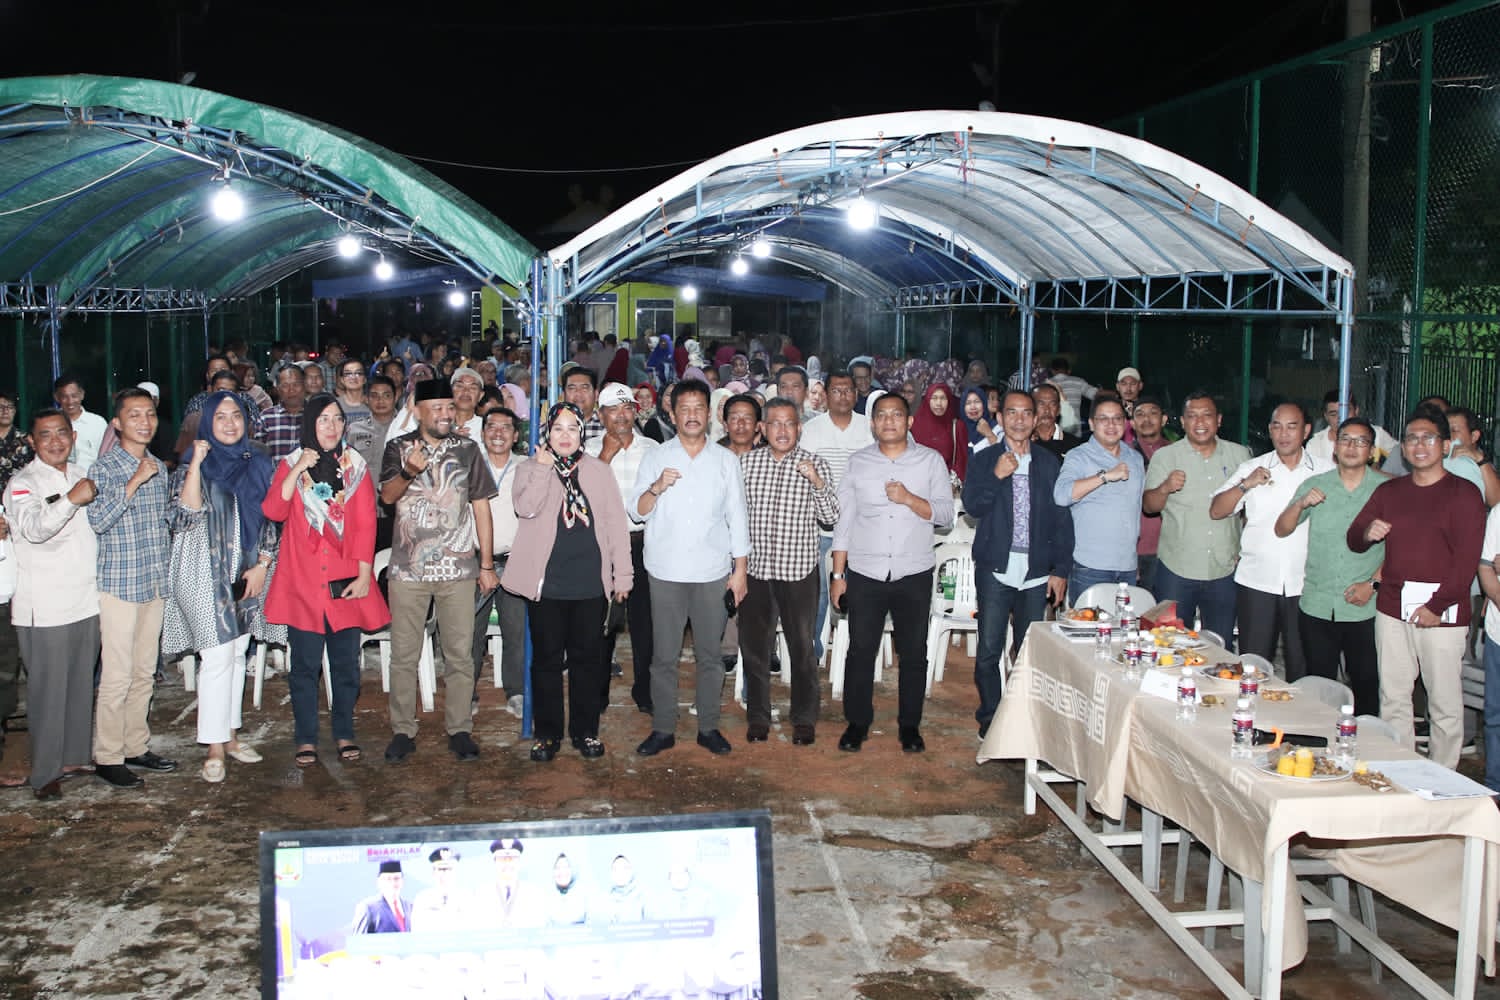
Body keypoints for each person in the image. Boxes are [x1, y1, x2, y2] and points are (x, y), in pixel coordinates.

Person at [1349, 408, 1486, 768]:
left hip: (1444, 612)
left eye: (1428, 438)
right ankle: (1402, 772)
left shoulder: (1465, 494)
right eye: (1411, 438)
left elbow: (1466, 561)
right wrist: (1368, 532)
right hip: (1393, 607)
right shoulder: (1390, 491)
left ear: (1444, 445)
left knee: (1443, 702)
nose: (1419, 445)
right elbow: (1355, 537)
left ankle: (1443, 777)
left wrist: (1437, 606)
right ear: (1403, 447)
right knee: (1393, 696)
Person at [161, 392, 283, 783]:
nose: (230, 424)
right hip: (203, 571)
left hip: (248, 571)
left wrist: (264, 564)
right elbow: (184, 515)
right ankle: (213, 746)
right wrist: (196, 461)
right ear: (207, 424)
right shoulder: (189, 466)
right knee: (215, 656)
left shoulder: (259, 462)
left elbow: (271, 519)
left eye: (236, 417)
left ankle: (230, 735)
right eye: (220, 418)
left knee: (235, 653)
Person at [261, 394, 389, 768]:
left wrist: (366, 574)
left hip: (346, 580)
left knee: (347, 665)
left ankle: (344, 731)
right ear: (309, 425)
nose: (331, 427)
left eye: (336, 420)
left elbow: (366, 522)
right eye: (323, 420)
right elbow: (273, 510)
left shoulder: (356, 466)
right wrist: (299, 467)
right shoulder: (290, 464)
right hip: (303, 582)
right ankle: (305, 738)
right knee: (303, 666)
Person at [502, 402, 632, 762]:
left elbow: (616, 526)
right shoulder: (528, 468)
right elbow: (525, 508)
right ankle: (546, 734)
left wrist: (622, 575)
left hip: (590, 582)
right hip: (547, 584)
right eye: (557, 429)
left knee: (587, 662)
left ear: (582, 433)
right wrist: (544, 470)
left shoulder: (599, 472)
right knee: (545, 662)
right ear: (547, 433)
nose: (564, 436)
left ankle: (585, 731)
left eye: (572, 429)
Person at [379, 378, 497, 764]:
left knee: (460, 653)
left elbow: (481, 507)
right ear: (417, 409)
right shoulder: (398, 448)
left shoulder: (467, 449)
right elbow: (387, 498)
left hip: (458, 568)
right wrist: (409, 471)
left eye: (450, 407)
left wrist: (485, 564)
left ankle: (460, 728)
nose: (447, 413)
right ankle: (402, 730)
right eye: (439, 408)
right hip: (408, 573)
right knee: (404, 654)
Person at [631, 378, 750, 758]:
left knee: (710, 656)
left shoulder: (725, 460)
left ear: (709, 414)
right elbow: (636, 510)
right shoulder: (656, 456)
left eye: (699, 408)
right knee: (664, 655)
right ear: (672, 413)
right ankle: (663, 728)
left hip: (711, 573)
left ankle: (709, 727)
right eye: (685, 409)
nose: (692, 415)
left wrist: (740, 571)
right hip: (664, 571)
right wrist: (655, 487)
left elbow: (738, 518)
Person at [830, 393, 955, 753]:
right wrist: (840, 575)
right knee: (861, 650)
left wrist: (909, 499)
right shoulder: (857, 463)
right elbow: (844, 523)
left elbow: (945, 515)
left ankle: (910, 727)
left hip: (913, 571)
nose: (888, 421)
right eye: (881, 416)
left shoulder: (930, 461)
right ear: (872, 424)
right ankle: (857, 723)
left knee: (914, 653)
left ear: (909, 422)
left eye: (896, 415)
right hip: (866, 572)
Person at [3, 409, 101, 799]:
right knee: (47, 691)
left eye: (62, 433)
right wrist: (72, 500)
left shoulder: (82, 472)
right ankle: (44, 773)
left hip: (84, 597)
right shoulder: (23, 483)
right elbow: (34, 529)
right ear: (32, 442)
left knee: (80, 682)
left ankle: (74, 756)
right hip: (43, 606)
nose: (55, 441)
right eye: (45, 435)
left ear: (73, 436)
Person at [962, 391, 1071, 738]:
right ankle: (991, 720)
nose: (1020, 420)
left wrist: (1060, 570)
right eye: (1012, 413)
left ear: (1037, 416)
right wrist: (996, 475)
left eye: (1027, 413)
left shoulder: (1048, 463)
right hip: (996, 568)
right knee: (989, 650)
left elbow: (1062, 520)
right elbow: (973, 508)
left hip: (1037, 572)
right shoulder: (984, 458)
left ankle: (1022, 716)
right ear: (1002, 416)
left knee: (1027, 653)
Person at [87, 388, 176, 788]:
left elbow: (164, 524)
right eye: (134, 415)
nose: (145, 422)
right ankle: (107, 756)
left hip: (153, 582)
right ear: (118, 424)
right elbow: (99, 520)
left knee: (144, 672)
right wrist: (134, 481)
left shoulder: (160, 465)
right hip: (119, 585)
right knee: (117, 675)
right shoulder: (104, 468)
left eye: (150, 414)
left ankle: (134, 745)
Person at [738, 398, 839, 746]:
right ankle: (758, 718)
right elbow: (733, 518)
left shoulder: (816, 464)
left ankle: (804, 718)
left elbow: (831, 517)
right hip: (756, 570)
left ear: (799, 428)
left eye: (790, 424)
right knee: (755, 648)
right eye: (775, 424)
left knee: (802, 647)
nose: (783, 430)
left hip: (798, 571)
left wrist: (816, 482)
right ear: (762, 429)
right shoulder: (746, 464)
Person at [1275, 416, 1386, 715]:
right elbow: (1281, 528)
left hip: (1365, 606)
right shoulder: (1315, 484)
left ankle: (1364, 749)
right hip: (1318, 603)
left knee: (1366, 682)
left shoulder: (1387, 489)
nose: (1352, 446)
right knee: (1319, 685)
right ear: (1335, 447)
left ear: (1372, 450)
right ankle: (1320, 749)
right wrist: (1300, 504)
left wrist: (1373, 585)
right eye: (1346, 439)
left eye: (1361, 441)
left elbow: (1401, 550)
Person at [1209, 403, 1329, 679]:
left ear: (1307, 430)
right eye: (1277, 426)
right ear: (1270, 430)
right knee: (1253, 666)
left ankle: (1299, 722)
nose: (1284, 434)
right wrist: (1245, 485)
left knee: (1303, 665)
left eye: (1292, 426)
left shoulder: (1325, 472)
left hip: (1306, 583)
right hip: (1257, 581)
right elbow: (1217, 510)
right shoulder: (1252, 467)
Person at [1142, 391, 1251, 643]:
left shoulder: (1240, 456)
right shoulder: (1166, 456)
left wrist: (1244, 549)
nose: (1200, 422)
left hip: (1224, 570)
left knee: (1219, 646)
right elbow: (1149, 506)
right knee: (1169, 644)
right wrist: (1165, 487)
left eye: (1207, 416)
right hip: (1176, 570)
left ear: (1219, 420)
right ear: (1182, 422)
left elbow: (1249, 510)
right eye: (1192, 416)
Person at [586, 383, 660, 715]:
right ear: (600, 415)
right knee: (601, 624)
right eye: (612, 409)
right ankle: (597, 692)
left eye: (626, 407)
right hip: (601, 546)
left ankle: (645, 690)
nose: (621, 415)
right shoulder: (587, 450)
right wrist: (605, 456)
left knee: (646, 623)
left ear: (635, 410)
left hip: (644, 544)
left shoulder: (653, 448)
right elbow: (581, 499)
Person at [800, 371, 873, 661]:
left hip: (862, 530)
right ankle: (812, 653)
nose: (842, 396)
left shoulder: (869, 428)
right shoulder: (812, 429)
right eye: (836, 391)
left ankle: (856, 654)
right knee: (817, 595)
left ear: (856, 394)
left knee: (861, 596)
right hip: (820, 529)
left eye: (847, 391)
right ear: (825, 395)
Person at [1054, 397, 1145, 605]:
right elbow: (1061, 495)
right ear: (1092, 423)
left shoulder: (1135, 458)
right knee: (1088, 634)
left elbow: (1134, 510)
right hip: (1090, 566)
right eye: (1104, 419)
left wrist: (1134, 558)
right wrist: (1104, 476)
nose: (1111, 425)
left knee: (1123, 635)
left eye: (1117, 419)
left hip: (1128, 566)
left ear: (1126, 423)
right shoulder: (1079, 456)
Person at [474, 407, 528, 717]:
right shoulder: (470, 466)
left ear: (516, 435)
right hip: (474, 560)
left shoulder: (527, 467)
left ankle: (516, 691)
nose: (498, 433)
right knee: (469, 631)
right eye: (491, 427)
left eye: (506, 427)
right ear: (482, 433)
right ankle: (466, 693)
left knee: (516, 630)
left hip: (514, 559)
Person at [1130, 394, 1172, 591]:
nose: (1146, 419)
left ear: (1163, 419)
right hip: (1133, 550)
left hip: (1170, 551)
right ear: (1132, 422)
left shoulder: (1177, 453)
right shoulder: (1123, 455)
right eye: (1140, 414)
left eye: (1153, 413)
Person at [1306, 391, 1397, 468]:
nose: (1340, 418)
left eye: (1346, 412)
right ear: (1325, 416)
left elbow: (1401, 458)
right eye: (1333, 414)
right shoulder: (1315, 444)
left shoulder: (1377, 434)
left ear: (1356, 410)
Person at [410, 847, 473, 931]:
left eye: (449, 869)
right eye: (440, 869)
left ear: (455, 872)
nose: (445, 874)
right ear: (433, 872)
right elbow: (416, 929)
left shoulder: (466, 897)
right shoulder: (422, 899)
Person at [54, 376, 108, 471]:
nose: (70, 401)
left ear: (82, 395)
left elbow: (107, 456)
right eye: (64, 397)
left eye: (74, 396)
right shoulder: (51, 423)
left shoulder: (97, 423)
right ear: (57, 398)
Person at [910, 384, 964, 478]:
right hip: (917, 480)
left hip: (945, 483)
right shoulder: (914, 425)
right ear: (927, 400)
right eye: (934, 398)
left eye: (943, 398)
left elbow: (961, 462)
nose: (939, 403)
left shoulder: (956, 426)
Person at [259, 365, 307, 463]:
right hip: (274, 477)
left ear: (304, 385)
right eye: (285, 385)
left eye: (296, 384)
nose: (291, 390)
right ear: (277, 388)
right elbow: (257, 455)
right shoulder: (266, 418)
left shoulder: (317, 415)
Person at [350, 860, 412, 934]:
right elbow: (359, 941)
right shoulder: (368, 908)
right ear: (379, 882)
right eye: (388, 879)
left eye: (397, 878)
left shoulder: (410, 907)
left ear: (402, 881)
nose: (393, 883)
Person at [1046, 357, 1097, 435]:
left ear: (1052, 370)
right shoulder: (1078, 382)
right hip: (1074, 433)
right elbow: (1096, 394)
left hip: (1051, 433)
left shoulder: (1046, 384)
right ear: (1069, 370)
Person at [1031, 383, 1081, 458]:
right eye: (1041, 404)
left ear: (1058, 410)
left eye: (1052, 404)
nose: (1047, 410)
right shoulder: (1023, 441)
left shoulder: (1074, 446)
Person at [561, 364, 605, 445]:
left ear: (596, 395)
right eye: (572, 388)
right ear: (563, 396)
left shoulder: (608, 426)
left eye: (584, 388)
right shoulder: (551, 428)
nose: (578, 393)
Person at [450, 366, 485, 439]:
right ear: (450, 391)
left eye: (473, 388)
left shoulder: (485, 427)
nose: (466, 391)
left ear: (480, 396)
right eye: (460, 386)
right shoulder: (437, 424)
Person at [333, 357, 370, 423]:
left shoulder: (374, 404)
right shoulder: (334, 405)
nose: (353, 377)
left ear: (365, 379)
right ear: (342, 380)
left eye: (358, 373)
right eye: (348, 374)